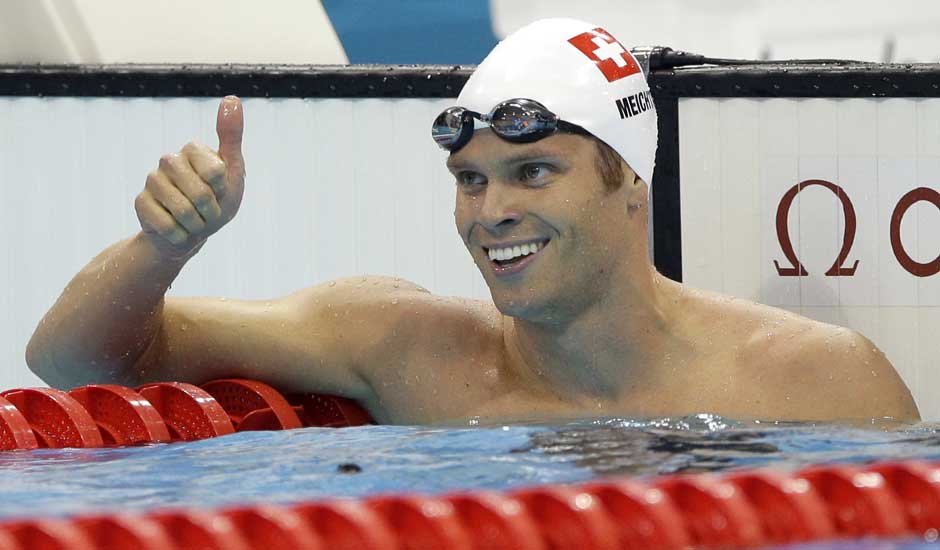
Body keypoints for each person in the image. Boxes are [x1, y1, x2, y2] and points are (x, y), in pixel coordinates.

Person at [26, 18, 919, 424]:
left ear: (630, 184)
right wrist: (163, 247)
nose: (492, 213)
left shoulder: (813, 385)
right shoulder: (401, 346)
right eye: (470, 180)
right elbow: (72, 365)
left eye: (533, 171)